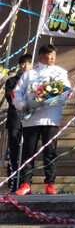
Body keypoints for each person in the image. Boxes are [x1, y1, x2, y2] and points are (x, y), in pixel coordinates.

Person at [12, 43, 70, 195]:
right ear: (41, 56)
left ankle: (50, 183)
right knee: (28, 151)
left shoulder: (60, 73)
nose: (52, 58)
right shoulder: (29, 74)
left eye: (54, 55)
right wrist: (23, 105)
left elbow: (66, 93)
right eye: (49, 55)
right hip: (31, 118)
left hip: (51, 117)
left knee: (50, 151)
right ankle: (25, 183)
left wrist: (52, 97)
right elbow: (16, 93)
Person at [4, 54, 32, 191]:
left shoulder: (34, 80)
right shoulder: (11, 81)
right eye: (23, 63)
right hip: (15, 119)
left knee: (27, 152)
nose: (25, 66)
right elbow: (10, 97)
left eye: (28, 63)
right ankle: (13, 183)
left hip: (30, 119)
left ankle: (25, 183)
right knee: (13, 152)